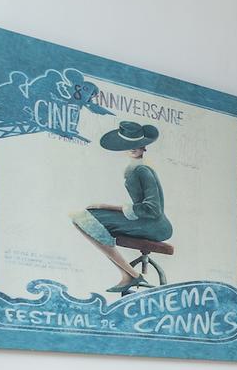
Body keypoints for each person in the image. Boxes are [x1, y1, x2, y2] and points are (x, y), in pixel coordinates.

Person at [69, 120, 173, 294]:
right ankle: (128, 275)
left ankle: (132, 275)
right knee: (86, 217)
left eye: (137, 144)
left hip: (154, 224)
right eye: (129, 144)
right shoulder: (134, 168)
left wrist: (105, 206)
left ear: (144, 147)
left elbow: (153, 209)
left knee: (83, 218)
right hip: (146, 220)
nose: (133, 148)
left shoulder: (142, 171)